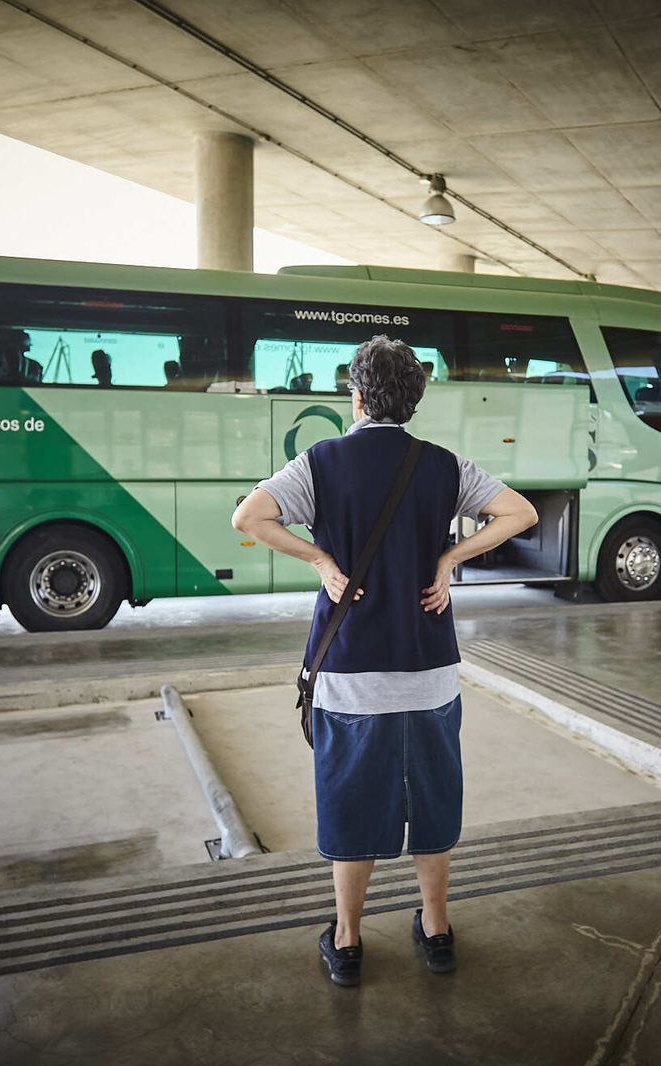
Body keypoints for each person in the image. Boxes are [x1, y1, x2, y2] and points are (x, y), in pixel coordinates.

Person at [231, 335, 538, 988]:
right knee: (431, 801)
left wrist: (321, 560)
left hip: (351, 674)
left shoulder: (321, 462)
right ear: (413, 400)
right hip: (429, 672)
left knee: (353, 803)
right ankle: (436, 930)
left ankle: (347, 941)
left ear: (357, 395)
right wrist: (449, 559)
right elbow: (520, 512)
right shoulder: (443, 465)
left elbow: (250, 517)